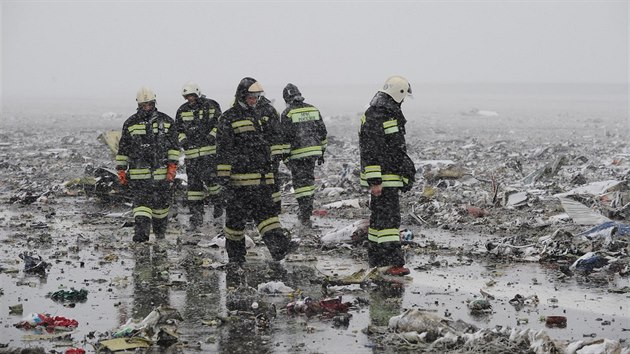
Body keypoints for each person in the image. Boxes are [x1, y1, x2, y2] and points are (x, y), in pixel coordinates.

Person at [216, 77, 297, 264]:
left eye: (257, 97)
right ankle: (236, 258)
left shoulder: (258, 115)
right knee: (235, 224)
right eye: (252, 97)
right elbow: (224, 152)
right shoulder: (229, 118)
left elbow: (268, 145)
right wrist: (224, 182)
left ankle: (279, 248)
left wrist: (272, 170)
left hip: (261, 181)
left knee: (267, 216)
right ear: (243, 96)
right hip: (239, 183)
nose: (255, 100)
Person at [358, 76, 416, 276]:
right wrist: (375, 181)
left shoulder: (383, 111)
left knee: (379, 221)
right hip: (384, 179)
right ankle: (392, 262)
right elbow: (371, 150)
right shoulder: (379, 114)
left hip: (387, 177)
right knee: (389, 223)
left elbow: (394, 148)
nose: (403, 100)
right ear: (398, 93)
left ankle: (376, 260)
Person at [116, 87, 180, 242]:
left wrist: (172, 167)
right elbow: (123, 149)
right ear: (139, 104)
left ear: (154, 102)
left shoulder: (166, 121)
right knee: (141, 209)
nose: (147, 107)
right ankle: (141, 240)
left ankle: (160, 236)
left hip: (161, 177)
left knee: (161, 211)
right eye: (144, 104)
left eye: (150, 104)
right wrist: (121, 170)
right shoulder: (131, 123)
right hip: (139, 178)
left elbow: (173, 147)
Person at [175, 81, 223, 231]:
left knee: (213, 183)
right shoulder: (182, 110)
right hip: (192, 156)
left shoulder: (211, 105)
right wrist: (184, 141)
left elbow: (220, 124)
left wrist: (211, 136)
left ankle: (219, 209)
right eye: (187, 96)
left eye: (192, 96)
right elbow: (178, 130)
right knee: (194, 188)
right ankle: (196, 216)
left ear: (197, 93)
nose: (190, 99)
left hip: (209, 154)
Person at [280, 83, 328, 228]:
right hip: (313, 152)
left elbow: (285, 138)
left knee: (300, 185)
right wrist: (321, 152)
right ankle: (307, 208)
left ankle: (305, 212)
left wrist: (286, 157)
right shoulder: (313, 109)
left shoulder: (287, 113)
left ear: (286, 98)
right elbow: (322, 133)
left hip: (298, 154)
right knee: (309, 180)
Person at [257, 95, 285, 215]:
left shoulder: (268, 111)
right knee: (270, 181)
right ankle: (271, 207)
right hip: (260, 154)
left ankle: (273, 208)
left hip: (267, 153)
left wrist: (276, 154)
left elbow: (276, 133)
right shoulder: (266, 110)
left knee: (270, 181)